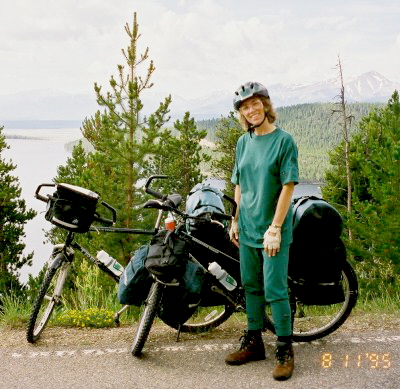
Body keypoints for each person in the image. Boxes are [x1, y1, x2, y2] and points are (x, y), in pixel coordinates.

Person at [225, 81, 299, 381]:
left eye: (255, 103)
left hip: (272, 230)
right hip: (248, 226)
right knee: (251, 286)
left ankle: (284, 349)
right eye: (244, 106)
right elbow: (239, 183)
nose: (251, 110)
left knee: (275, 289)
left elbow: (288, 186)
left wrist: (276, 228)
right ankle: (255, 342)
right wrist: (234, 218)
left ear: (265, 105)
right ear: (242, 114)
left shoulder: (284, 141)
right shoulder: (244, 142)